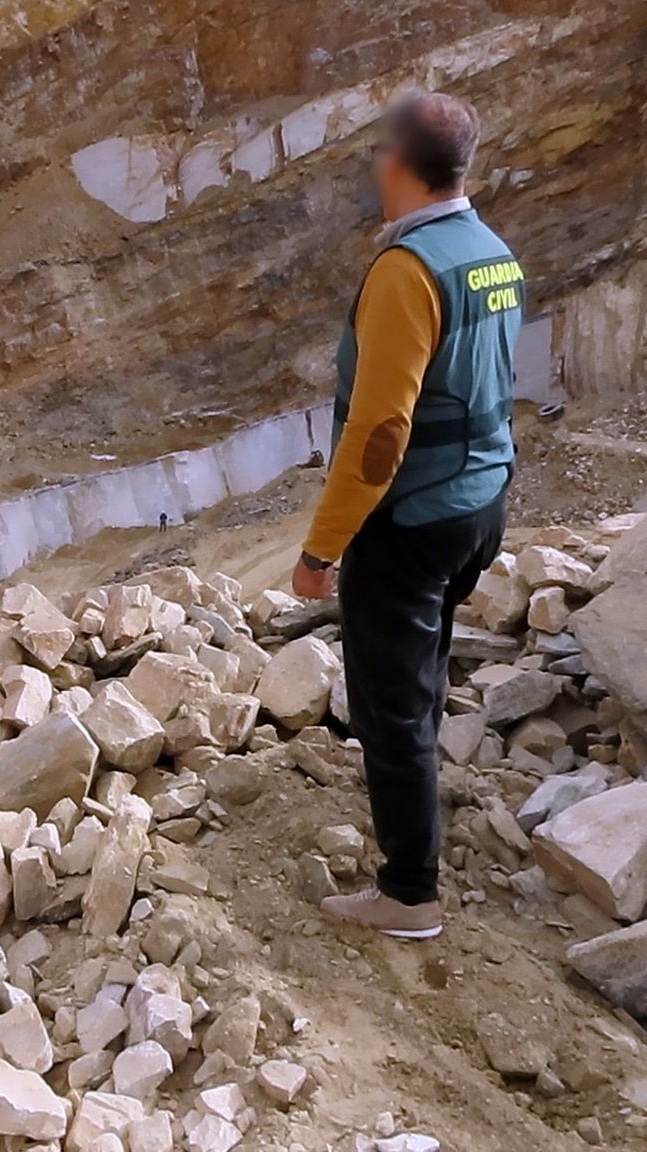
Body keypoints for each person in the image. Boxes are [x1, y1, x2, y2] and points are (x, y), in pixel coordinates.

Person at [292, 92, 522, 939]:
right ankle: (419, 820)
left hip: (413, 519)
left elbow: (381, 430)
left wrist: (324, 547)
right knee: (417, 677)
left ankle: (408, 894)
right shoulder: (493, 254)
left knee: (387, 703)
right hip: (481, 500)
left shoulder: (407, 270)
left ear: (398, 163)